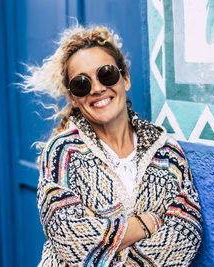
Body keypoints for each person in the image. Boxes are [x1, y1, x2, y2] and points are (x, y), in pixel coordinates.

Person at [22, 25, 202, 266]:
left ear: (125, 78)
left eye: (106, 74)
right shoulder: (61, 154)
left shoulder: (167, 153)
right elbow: (70, 240)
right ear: (74, 98)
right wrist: (147, 223)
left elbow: (185, 234)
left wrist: (101, 232)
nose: (96, 88)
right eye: (81, 84)